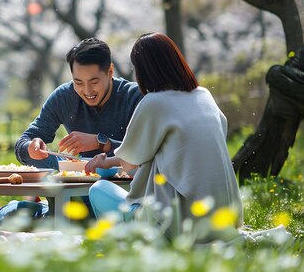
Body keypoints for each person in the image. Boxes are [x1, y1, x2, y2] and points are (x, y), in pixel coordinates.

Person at [86, 32, 243, 239]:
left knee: (98, 190)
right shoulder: (204, 96)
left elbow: (129, 162)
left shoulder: (155, 102)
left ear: (144, 70)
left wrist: (105, 162)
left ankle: (129, 255)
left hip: (175, 221)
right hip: (222, 217)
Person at [15, 37, 143, 169]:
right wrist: (30, 147)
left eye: (94, 82)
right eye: (79, 82)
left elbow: (149, 151)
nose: (87, 90)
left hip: (128, 177)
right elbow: (22, 144)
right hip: (78, 172)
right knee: (40, 158)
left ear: (110, 72)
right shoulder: (64, 97)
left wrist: (102, 143)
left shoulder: (134, 96)